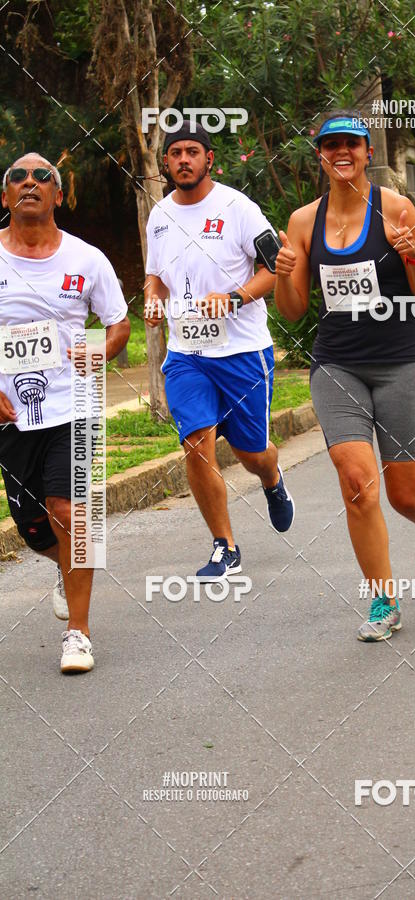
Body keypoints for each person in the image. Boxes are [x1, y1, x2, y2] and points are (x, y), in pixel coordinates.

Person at [274, 111, 415, 642]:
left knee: (403, 493)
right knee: (357, 485)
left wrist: (414, 254)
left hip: (402, 362)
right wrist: (284, 275)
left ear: (367, 151)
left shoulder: (397, 209)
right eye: (331, 146)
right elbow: (293, 308)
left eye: (351, 143)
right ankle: (383, 600)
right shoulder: (304, 221)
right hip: (337, 365)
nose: (341, 153)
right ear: (320, 156)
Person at [144, 121, 295, 583]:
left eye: (193, 151)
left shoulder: (238, 208)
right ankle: (224, 547)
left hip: (241, 352)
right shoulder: (159, 216)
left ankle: (271, 478)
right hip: (187, 353)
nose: (184, 160)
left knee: (252, 454)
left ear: (209, 159)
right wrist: (152, 297)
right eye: (176, 153)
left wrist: (234, 298)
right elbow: (156, 276)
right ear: (165, 163)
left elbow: (276, 269)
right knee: (196, 446)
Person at [0, 152, 130, 672]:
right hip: (10, 415)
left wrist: (100, 349)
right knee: (33, 527)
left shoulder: (87, 259)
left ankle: (78, 633)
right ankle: (63, 562)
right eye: (17, 177)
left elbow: (118, 324)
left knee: (70, 514)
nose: (30, 182)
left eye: (42, 177)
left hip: (72, 404)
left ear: (58, 195)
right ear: (5, 195)